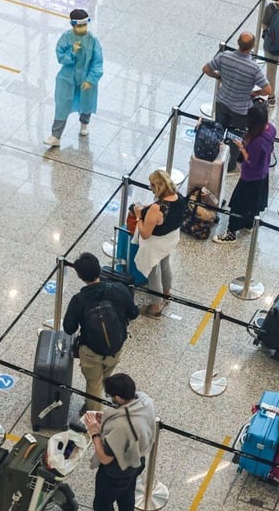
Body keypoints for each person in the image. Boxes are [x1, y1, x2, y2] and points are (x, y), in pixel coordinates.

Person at [63, 253, 139, 412]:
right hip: (115, 348)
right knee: (105, 377)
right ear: (99, 269)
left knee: (93, 384)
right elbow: (134, 313)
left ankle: (93, 416)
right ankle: (101, 395)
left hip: (91, 351)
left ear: (79, 276)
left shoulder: (79, 300)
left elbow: (69, 328)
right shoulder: (119, 289)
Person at [84, 374, 156, 511]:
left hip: (116, 474)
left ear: (117, 397)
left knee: (102, 504)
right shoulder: (145, 400)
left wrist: (94, 432)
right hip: (137, 462)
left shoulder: (120, 426)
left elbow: (105, 458)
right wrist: (106, 419)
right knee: (127, 496)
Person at [202, 33, 272, 171]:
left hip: (222, 102)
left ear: (238, 43)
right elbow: (268, 90)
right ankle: (230, 165)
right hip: (240, 110)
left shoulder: (224, 56)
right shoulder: (254, 68)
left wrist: (219, 77)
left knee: (218, 131)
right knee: (235, 137)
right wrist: (255, 93)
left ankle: (215, 158)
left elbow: (206, 69)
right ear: (252, 46)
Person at [212, 100, 276, 243]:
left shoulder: (258, 142)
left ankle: (231, 233)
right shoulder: (271, 129)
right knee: (253, 204)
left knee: (238, 205)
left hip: (250, 177)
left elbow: (251, 161)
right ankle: (248, 224)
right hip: (262, 175)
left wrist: (241, 147)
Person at [45, 9, 104, 147]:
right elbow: (61, 57)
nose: (83, 28)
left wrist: (91, 79)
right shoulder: (66, 38)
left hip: (86, 78)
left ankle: (84, 123)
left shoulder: (93, 40)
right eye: (80, 25)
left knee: (86, 101)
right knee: (62, 105)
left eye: (85, 24)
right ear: (73, 25)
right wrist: (72, 52)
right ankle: (56, 136)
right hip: (67, 78)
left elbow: (97, 62)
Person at [132, 170, 183, 317]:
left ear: (158, 187)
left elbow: (145, 233)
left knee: (153, 273)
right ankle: (166, 293)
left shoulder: (157, 208)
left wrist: (138, 217)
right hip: (170, 239)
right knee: (165, 265)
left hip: (155, 244)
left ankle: (155, 307)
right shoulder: (179, 197)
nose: (150, 188)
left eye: (152, 185)